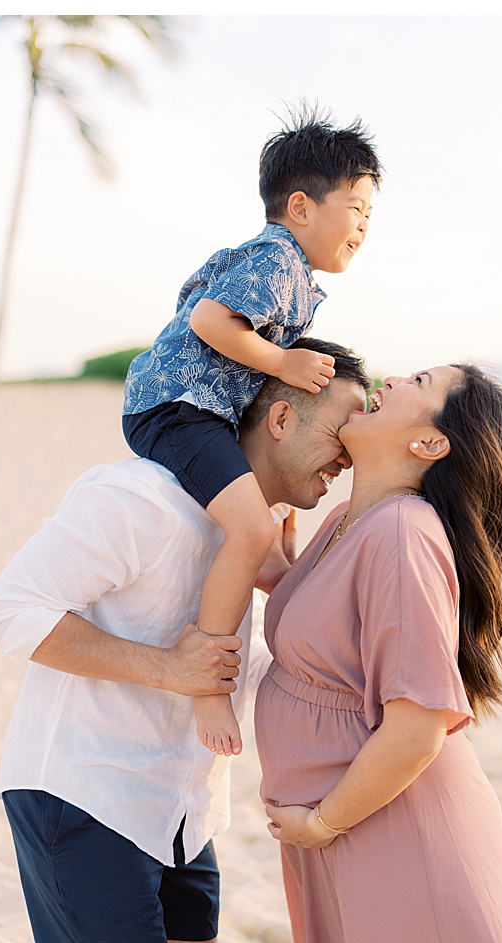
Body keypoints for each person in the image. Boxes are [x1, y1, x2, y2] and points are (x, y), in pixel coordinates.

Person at [0, 341, 371, 943]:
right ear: (280, 416)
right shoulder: (138, 498)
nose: (348, 452)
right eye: (340, 429)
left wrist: (289, 594)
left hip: (183, 808)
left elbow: (235, 670)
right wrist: (168, 669)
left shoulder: (249, 530)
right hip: (82, 794)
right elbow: (7, 612)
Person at [257, 365, 502, 943]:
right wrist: (277, 566)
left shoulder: (404, 531)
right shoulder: (348, 519)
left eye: (418, 380)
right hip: (344, 829)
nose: (389, 376)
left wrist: (324, 820)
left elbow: (418, 726)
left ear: (430, 444)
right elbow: (331, 631)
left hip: (389, 829)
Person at [121, 110, 381, 760]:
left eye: (370, 215)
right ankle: (209, 681)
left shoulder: (287, 269)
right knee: (252, 528)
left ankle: (255, 576)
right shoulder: (276, 259)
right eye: (356, 208)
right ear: (299, 205)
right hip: (178, 407)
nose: (364, 227)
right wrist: (282, 363)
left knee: (257, 525)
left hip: (193, 406)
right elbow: (211, 319)